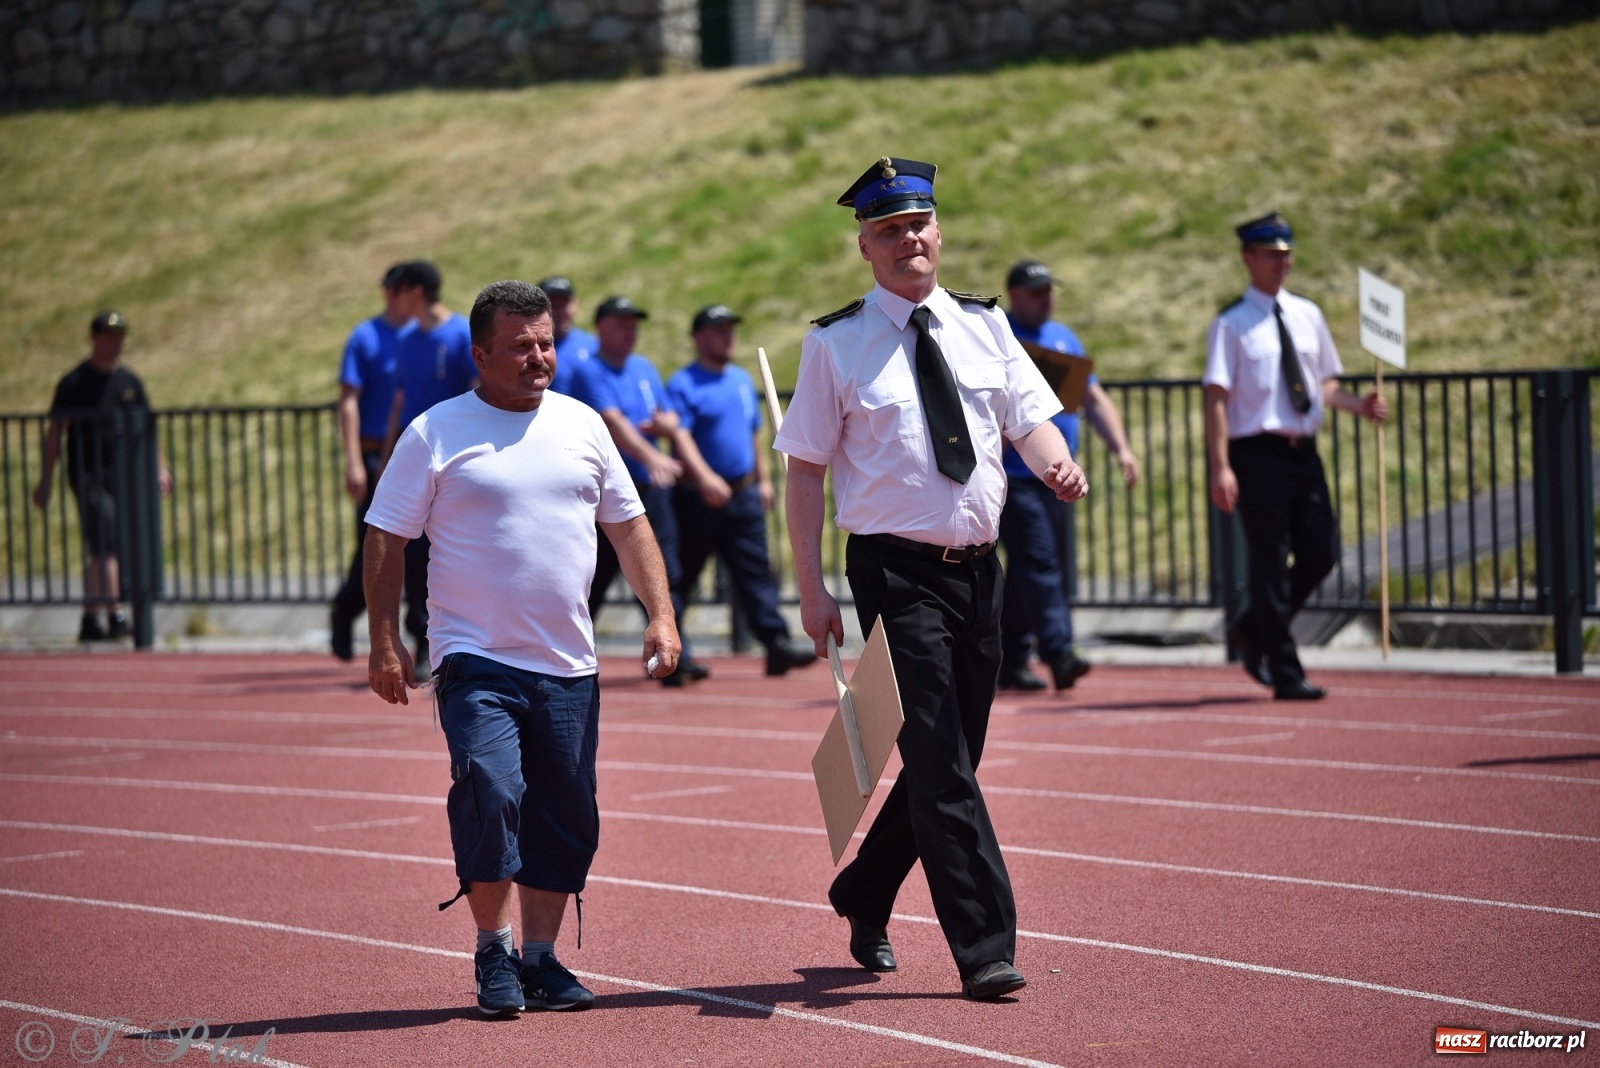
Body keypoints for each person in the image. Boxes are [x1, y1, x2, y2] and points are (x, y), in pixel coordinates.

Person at [775, 156, 1087, 1000]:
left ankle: (864, 890)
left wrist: (1057, 467)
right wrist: (810, 590)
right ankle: (985, 946)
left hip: (979, 571)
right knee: (942, 760)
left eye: (919, 225)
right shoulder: (836, 343)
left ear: (937, 232)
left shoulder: (986, 327)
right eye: (888, 230)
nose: (908, 239)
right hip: (894, 573)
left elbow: (1033, 422)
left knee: (951, 758)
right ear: (866, 249)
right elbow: (804, 471)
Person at [363, 279, 680, 1018]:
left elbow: (629, 529)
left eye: (545, 343)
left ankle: (540, 959)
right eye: (520, 347)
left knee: (566, 816)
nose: (538, 357)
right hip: (475, 657)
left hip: (569, 662)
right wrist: (385, 642)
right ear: (480, 354)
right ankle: (492, 950)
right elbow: (386, 536)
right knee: (494, 791)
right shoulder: (436, 432)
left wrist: (660, 617)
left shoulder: (584, 425)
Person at [1203, 211, 1387, 700]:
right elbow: (1216, 398)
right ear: (1249, 258)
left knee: (1320, 552)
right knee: (1267, 561)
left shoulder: (1308, 314)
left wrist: (1359, 405)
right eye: (1272, 255)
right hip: (1256, 452)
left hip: (1303, 450)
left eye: (1287, 254)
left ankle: (1253, 628)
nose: (1283, 263)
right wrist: (1220, 466)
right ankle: (1285, 671)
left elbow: (1322, 384)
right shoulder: (1231, 324)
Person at [996, 260, 1140, 692]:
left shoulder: (1063, 338)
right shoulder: (996, 334)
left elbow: (1092, 398)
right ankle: (1059, 652)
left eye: (1049, 291)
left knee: (1030, 568)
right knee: (1040, 563)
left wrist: (1123, 449)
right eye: (1036, 292)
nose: (1047, 299)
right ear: (1015, 294)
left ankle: (1012, 656)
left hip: (1055, 480)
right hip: (1013, 477)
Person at [666, 304, 815, 677]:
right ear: (698, 337)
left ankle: (775, 643)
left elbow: (753, 434)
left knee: (755, 571)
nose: (727, 336)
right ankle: (674, 653)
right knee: (680, 576)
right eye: (718, 330)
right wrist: (704, 478)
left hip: (742, 494)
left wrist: (762, 480)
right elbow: (679, 436)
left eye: (730, 329)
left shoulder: (740, 379)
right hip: (696, 497)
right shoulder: (683, 383)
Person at [569, 295, 708, 686]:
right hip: (606, 493)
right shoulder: (589, 371)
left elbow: (668, 417)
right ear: (600, 327)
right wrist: (653, 456)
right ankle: (567, 656)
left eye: (634, 324)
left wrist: (668, 431)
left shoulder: (644, 367)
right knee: (590, 578)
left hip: (649, 491)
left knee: (662, 571)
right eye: (621, 324)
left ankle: (675, 656)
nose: (630, 332)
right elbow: (614, 422)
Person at [32, 310, 173, 641]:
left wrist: (160, 468)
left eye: (120, 336)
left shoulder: (129, 383)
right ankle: (117, 613)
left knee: (110, 545)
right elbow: (55, 433)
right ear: (94, 338)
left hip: (124, 477)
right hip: (87, 474)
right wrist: (46, 479)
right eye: (109, 336)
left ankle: (91, 617)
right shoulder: (74, 383)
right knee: (106, 537)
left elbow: (147, 428)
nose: (116, 343)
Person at [384, 260, 477, 679]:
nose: (390, 300)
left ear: (415, 291)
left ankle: (462, 643)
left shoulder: (460, 335)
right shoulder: (404, 340)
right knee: (414, 555)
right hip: (417, 460)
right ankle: (422, 642)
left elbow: (479, 395)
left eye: (395, 290)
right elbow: (400, 401)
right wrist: (389, 458)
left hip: (455, 462)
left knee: (456, 552)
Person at [329, 262, 425, 661]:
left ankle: (420, 635)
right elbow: (348, 400)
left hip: (421, 456)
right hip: (376, 457)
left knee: (422, 548)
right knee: (376, 547)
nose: (393, 294)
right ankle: (345, 610)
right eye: (390, 287)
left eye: (401, 287)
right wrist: (353, 461)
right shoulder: (366, 337)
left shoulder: (424, 337)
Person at [540, 275, 599, 396]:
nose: (560, 312)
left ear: (575, 304)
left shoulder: (593, 345)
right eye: (553, 305)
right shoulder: (534, 351)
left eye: (565, 304)